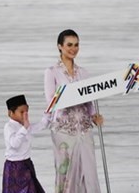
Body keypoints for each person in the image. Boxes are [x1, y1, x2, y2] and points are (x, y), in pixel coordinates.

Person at [44, 29, 104, 192]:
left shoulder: (84, 73)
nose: (73, 48)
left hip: (84, 128)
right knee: (66, 171)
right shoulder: (52, 72)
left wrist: (94, 116)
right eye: (69, 45)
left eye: (76, 45)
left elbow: (90, 101)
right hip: (64, 129)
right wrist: (69, 97)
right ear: (60, 46)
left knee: (89, 170)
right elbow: (51, 101)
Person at [2, 94, 48, 193]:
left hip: (27, 164)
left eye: (27, 111)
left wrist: (47, 114)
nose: (25, 114)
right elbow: (14, 144)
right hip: (14, 167)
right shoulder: (9, 127)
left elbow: (42, 125)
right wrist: (24, 128)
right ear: (10, 113)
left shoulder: (25, 125)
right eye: (21, 112)